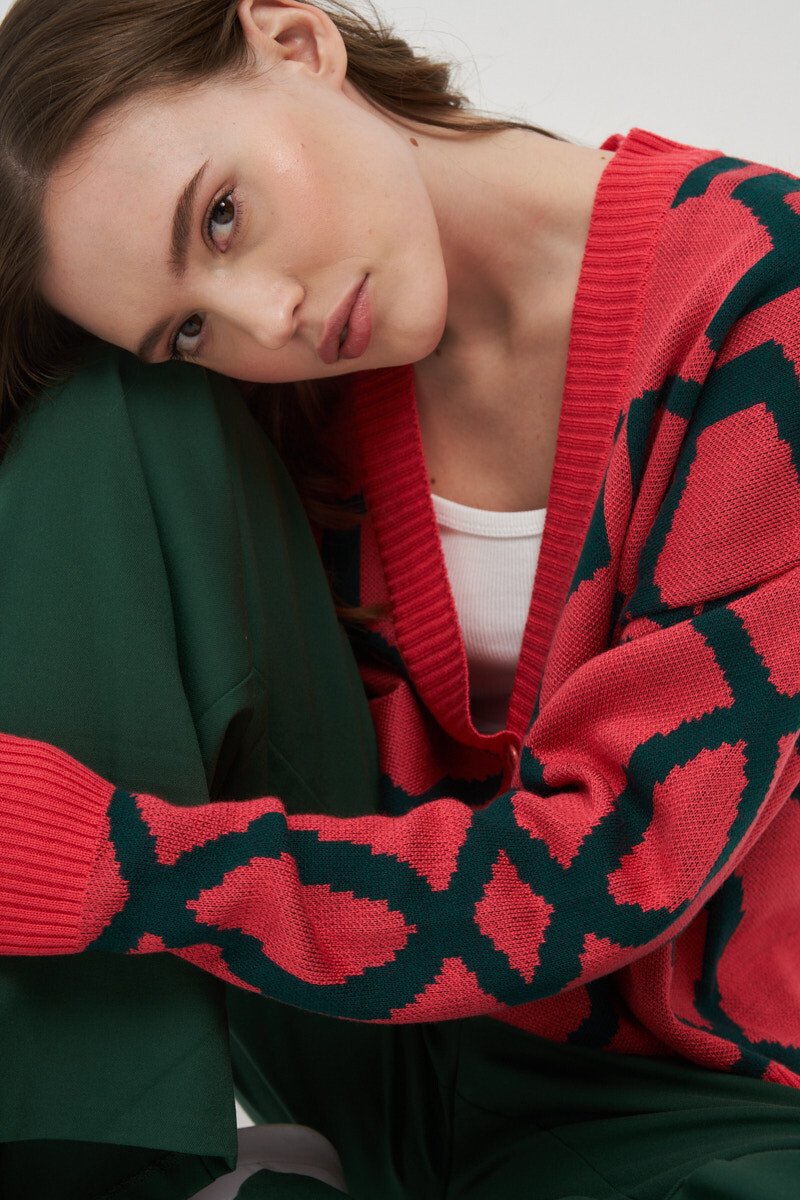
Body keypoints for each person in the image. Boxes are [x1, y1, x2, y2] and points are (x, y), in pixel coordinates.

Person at [0, 0, 799, 1197]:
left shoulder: (761, 306)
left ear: (293, 41)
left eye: (221, 216)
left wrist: (115, 866)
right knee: (100, 408)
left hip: (688, 1104)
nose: (265, 317)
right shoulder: (268, 387)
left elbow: (610, 869)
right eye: (190, 327)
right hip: (357, 1031)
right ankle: (93, 1168)